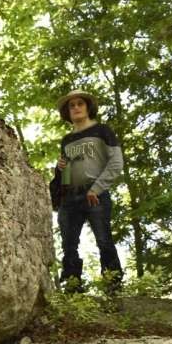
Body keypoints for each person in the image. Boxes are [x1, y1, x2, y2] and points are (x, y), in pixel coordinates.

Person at [54, 90, 124, 293]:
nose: (75, 108)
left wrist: (97, 188)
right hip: (70, 197)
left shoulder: (102, 131)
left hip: (95, 194)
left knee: (104, 240)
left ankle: (113, 286)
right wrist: (60, 169)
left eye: (79, 104)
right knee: (68, 244)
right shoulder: (67, 140)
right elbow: (66, 172)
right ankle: (73, 287)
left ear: (87, 107)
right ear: (67, 112)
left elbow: (116, 162)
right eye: (71, 105)